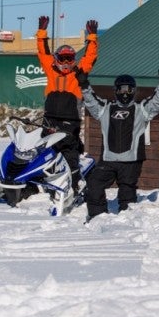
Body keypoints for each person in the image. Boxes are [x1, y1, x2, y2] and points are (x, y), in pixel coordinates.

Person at [76, 64, 159, 218]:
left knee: (127, 193)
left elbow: (157, 102)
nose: (125, 93)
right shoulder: (105, 108)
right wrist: (84, 84)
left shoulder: (142, 109)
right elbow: (91, 101)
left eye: (129, 90)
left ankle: (126, 222)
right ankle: (97, 216)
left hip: (131, 160)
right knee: (94, 185)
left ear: (134, 91)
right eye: (121, 89)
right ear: (116, 91)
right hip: (108, 160)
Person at [36, 16, 99, 192]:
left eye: (69, 58)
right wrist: (42, 33)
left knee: (69, 152)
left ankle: (74, 182)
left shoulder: (78, 72)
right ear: (57, 59)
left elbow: (90, 56)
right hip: (50, 118)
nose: (65, 63)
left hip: (70, 120)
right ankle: (42, 183)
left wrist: (92, 37)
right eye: (62, 58)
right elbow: (43, 52)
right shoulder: (51, 69)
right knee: (46, 151)